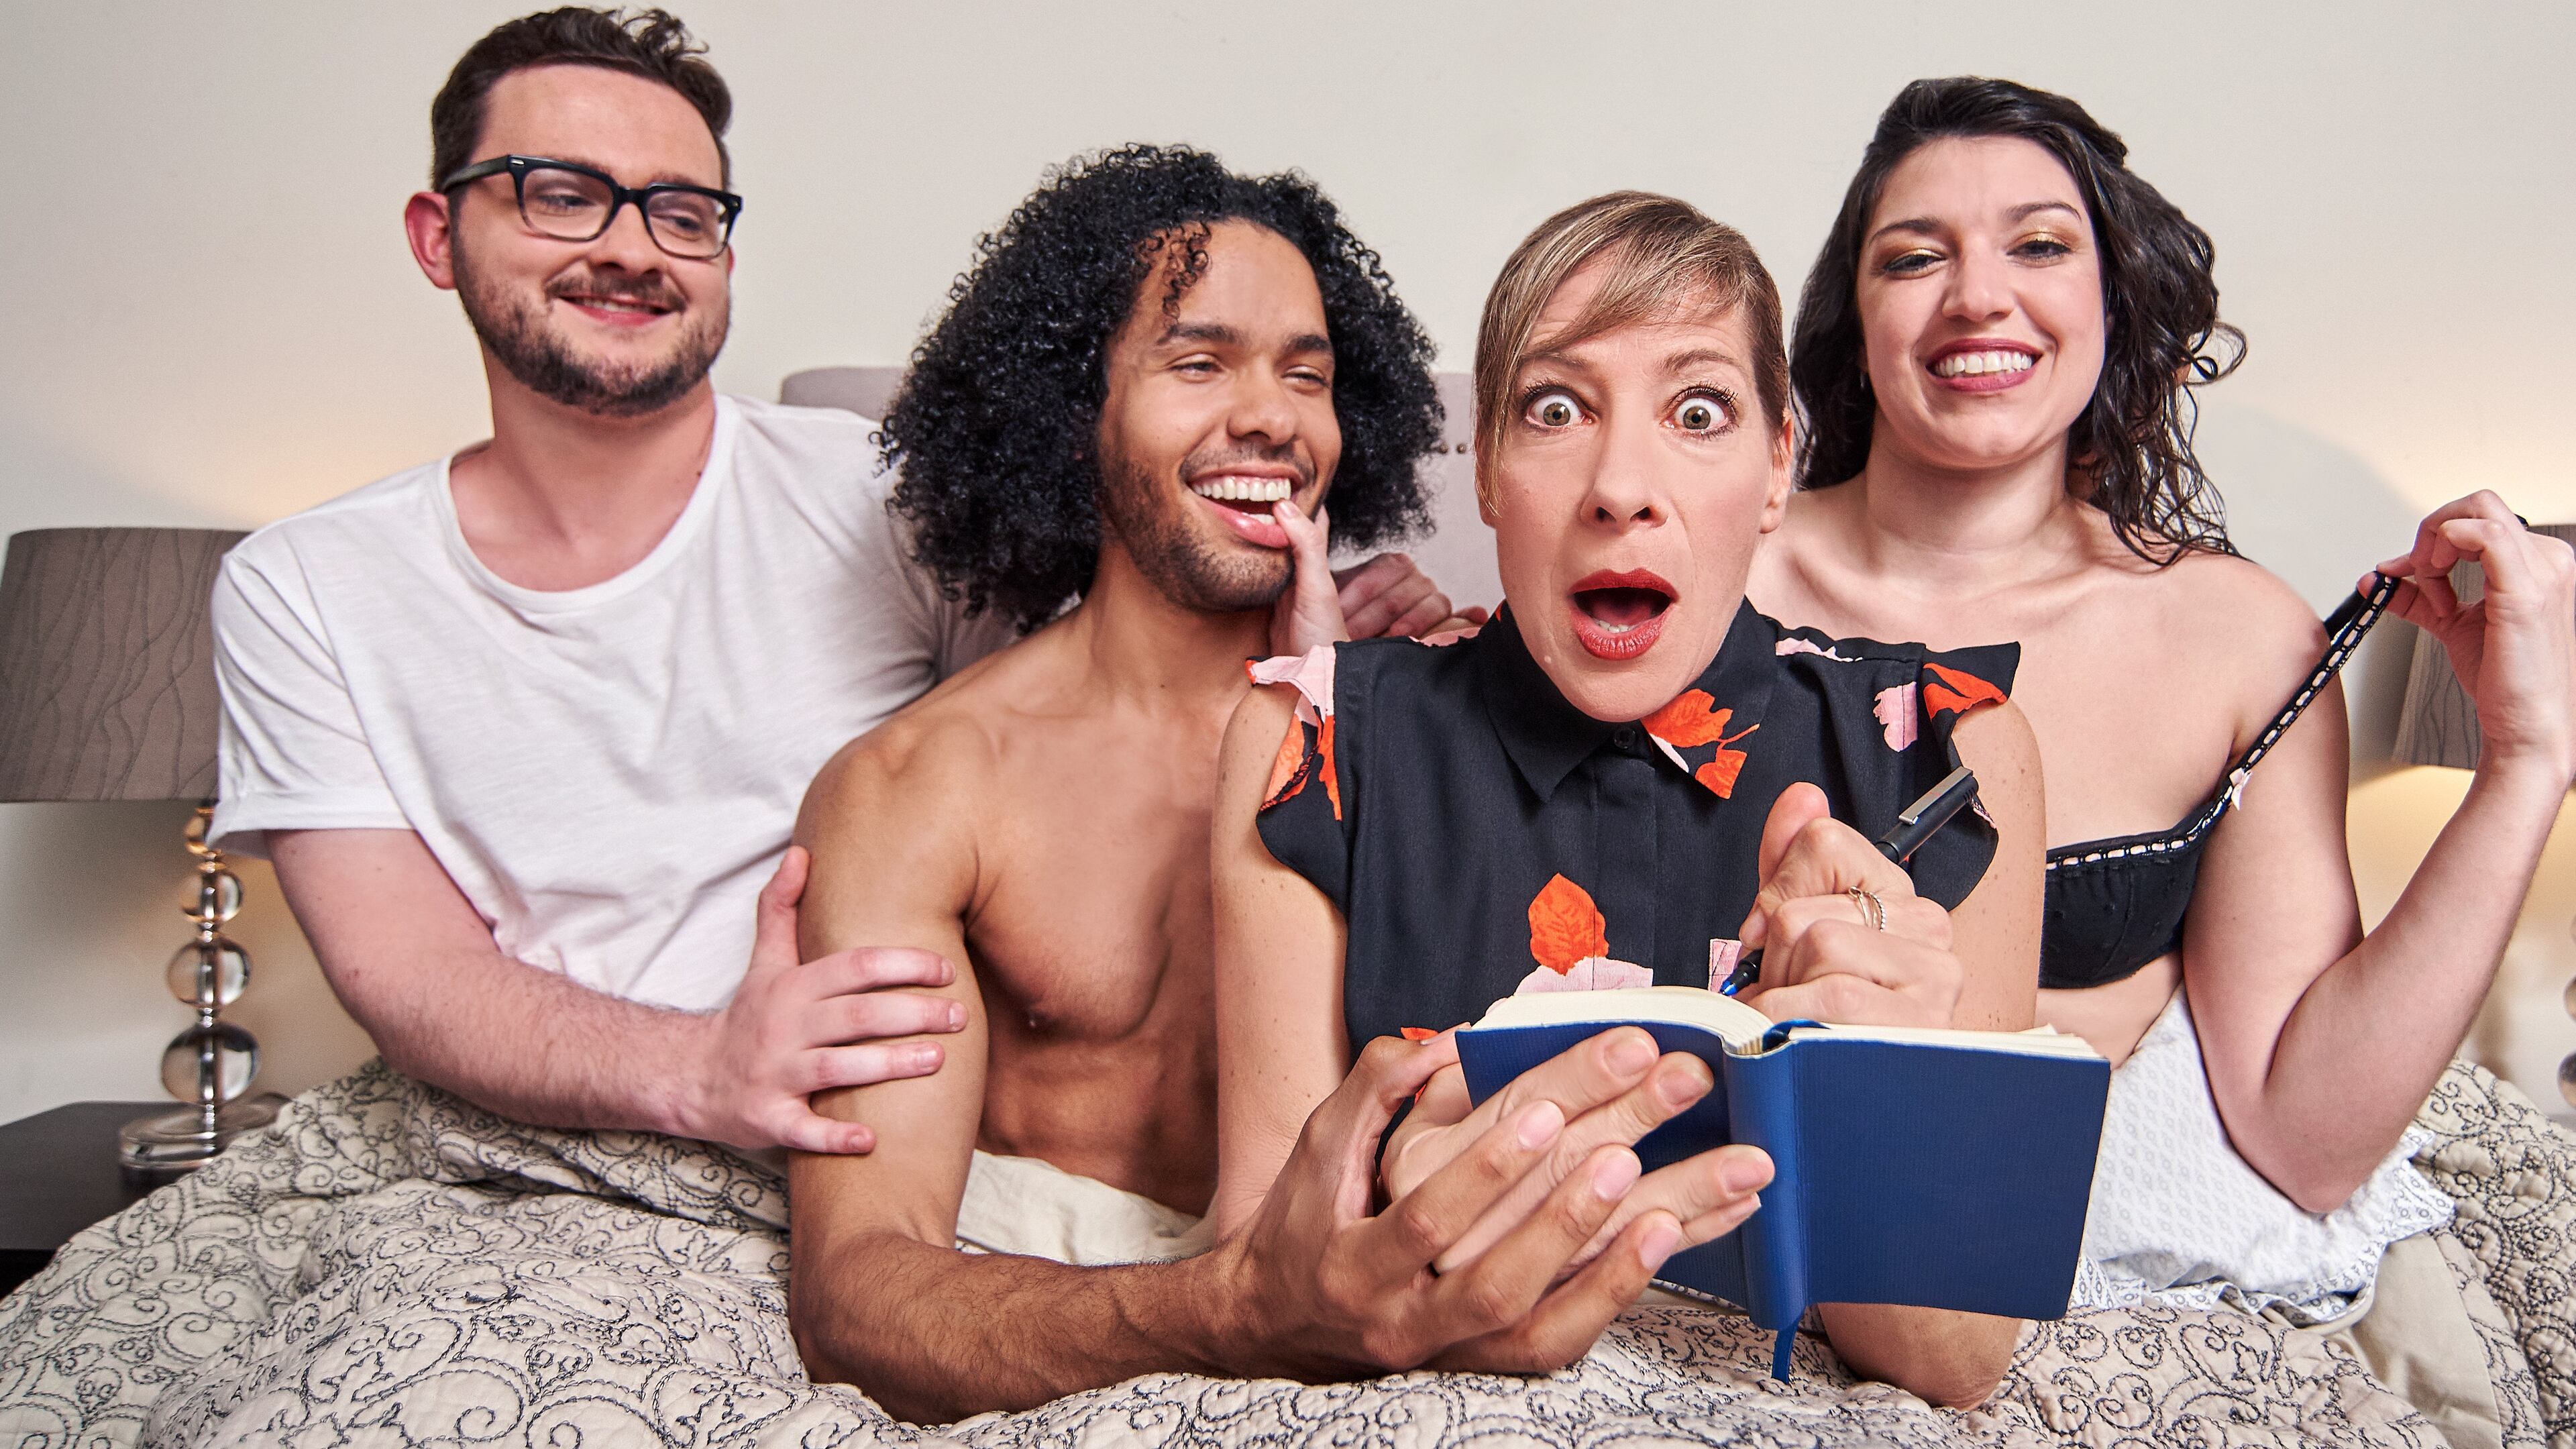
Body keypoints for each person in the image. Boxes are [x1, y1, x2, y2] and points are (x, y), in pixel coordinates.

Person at [211, 7, 1456, 1157]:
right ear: (440, 235)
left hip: (861, 1133)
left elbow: (1102, 707)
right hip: (530, 1134)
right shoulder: (305, 586)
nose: (632, 249)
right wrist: (699, 1067)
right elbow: (408, 971)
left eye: (682, 212)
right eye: (561, 196)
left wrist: (1320, 648)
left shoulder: (883, 495)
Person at [785, 148, 1772, 1424]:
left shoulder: (1419, 725)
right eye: (1198, 364)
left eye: (1306, 374)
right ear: (1062, 404)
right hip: (1062, 1313)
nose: (1271, 418)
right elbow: (860, 1287)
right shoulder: (917, 786)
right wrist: (1235, 1310)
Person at [1749, 76, 2576, 1320]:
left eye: (2040, 245)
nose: (1980, 295)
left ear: (2111, 302)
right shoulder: (1708, 575)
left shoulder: (2241, 637)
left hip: (2056, 1296)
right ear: (1855, 324)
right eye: (1915, 257)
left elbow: (2304, 1138)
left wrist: (2525, 761)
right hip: (1732, 1247)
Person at [1208, 192, 2048, 1410]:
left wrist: (1872, 1087)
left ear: (1775, 471)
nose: (1621, 487)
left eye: (1698, 413)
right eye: (1556, 410)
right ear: (1489, 471)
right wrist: (1419, 1197)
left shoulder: (1952, 753)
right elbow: (1255, 1278)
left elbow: (1957, 1363)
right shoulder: (1314, 740)